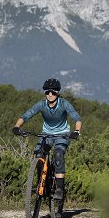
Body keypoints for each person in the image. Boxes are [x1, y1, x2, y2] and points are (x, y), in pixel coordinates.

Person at [12, 78, 82, 209]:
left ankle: (59, 189)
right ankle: (40, 181)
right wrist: (17, 126)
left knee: (58, 154)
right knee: (38, 153)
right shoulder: (41, 105)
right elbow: (26, 115)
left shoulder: (64, 104)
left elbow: (77, 118)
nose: (50, 95)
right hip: (46, 134)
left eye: (53, 92)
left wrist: (77, 131)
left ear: (58, 94)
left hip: (63, 134)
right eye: (47, 92)